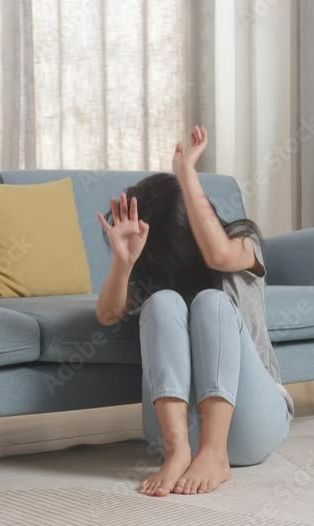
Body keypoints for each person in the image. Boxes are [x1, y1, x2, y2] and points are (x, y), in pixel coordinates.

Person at [96, 126, 292, 497]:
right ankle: (177, 451)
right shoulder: (154, 278)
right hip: (175, 431)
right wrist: (124, 261)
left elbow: (217, 255)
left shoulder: (242, 247)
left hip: (252, 424)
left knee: (211, 303)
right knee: (161, 302)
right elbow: (107, 316)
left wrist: (186, 174)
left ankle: (215, 453)